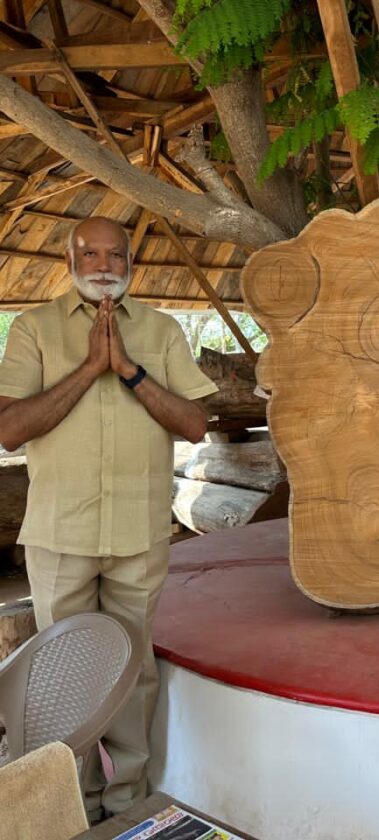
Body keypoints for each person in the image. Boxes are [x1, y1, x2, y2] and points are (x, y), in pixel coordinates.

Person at [0, 216, 219, 819]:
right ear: (69, 260)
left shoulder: (161, 329)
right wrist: (90, 368)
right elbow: (10, 429)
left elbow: (196, 424)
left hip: (138, 534)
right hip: (59, 533)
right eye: (90, 253)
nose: (103, 264)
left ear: (131, 263)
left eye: (114, 254)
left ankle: (125, 804)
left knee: (132, 671)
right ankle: (68, 805)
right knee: (60, 678)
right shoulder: (33, 328)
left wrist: (129, 371)